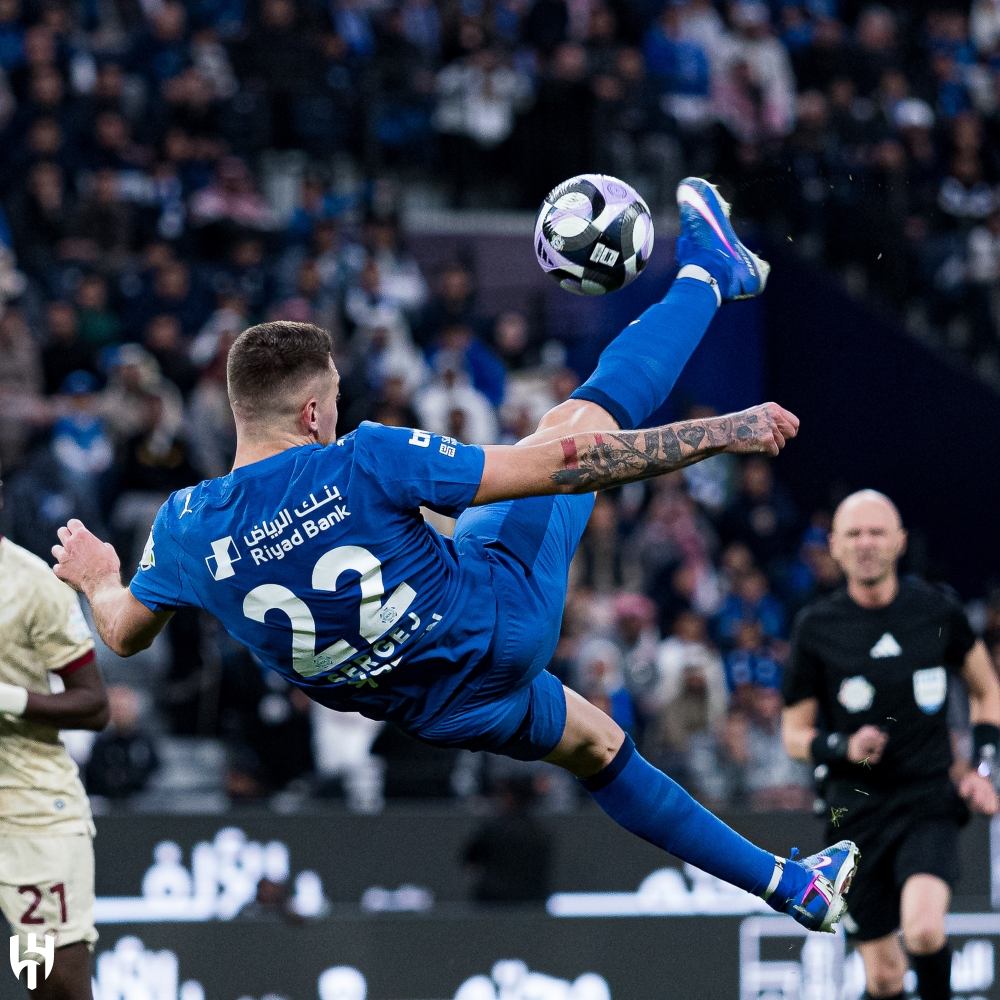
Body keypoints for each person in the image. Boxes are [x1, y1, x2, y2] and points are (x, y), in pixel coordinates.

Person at [51, 178, 855, 934]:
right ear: (310, 409)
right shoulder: (360, 456)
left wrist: (98, 576)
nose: (339, 409)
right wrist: (719, 433)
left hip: (434, 707)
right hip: (495, 621)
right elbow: (560, 468)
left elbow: (120, 633)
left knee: (598, 745)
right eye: (333, 397)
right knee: (570, 424)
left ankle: (793, 887)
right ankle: (706, 275)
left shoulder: (186, 525)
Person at [782, 490, 1000, 1000]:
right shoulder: (815, 628)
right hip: (852, 815)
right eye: (853, 534)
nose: (866, 543)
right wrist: (842, 745)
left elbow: (987, 690)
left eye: (877, 532)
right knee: (883, 978)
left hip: (928, 799)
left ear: (900, 542)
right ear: (833, 546)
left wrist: (984, 767)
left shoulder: (937, 611)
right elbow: (794, 736)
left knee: (923, 929)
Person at [0, 467, 110, 998]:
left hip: (27, 818)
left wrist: (7, 699)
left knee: (49, 985)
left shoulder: (30, 584)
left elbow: (94, 705)